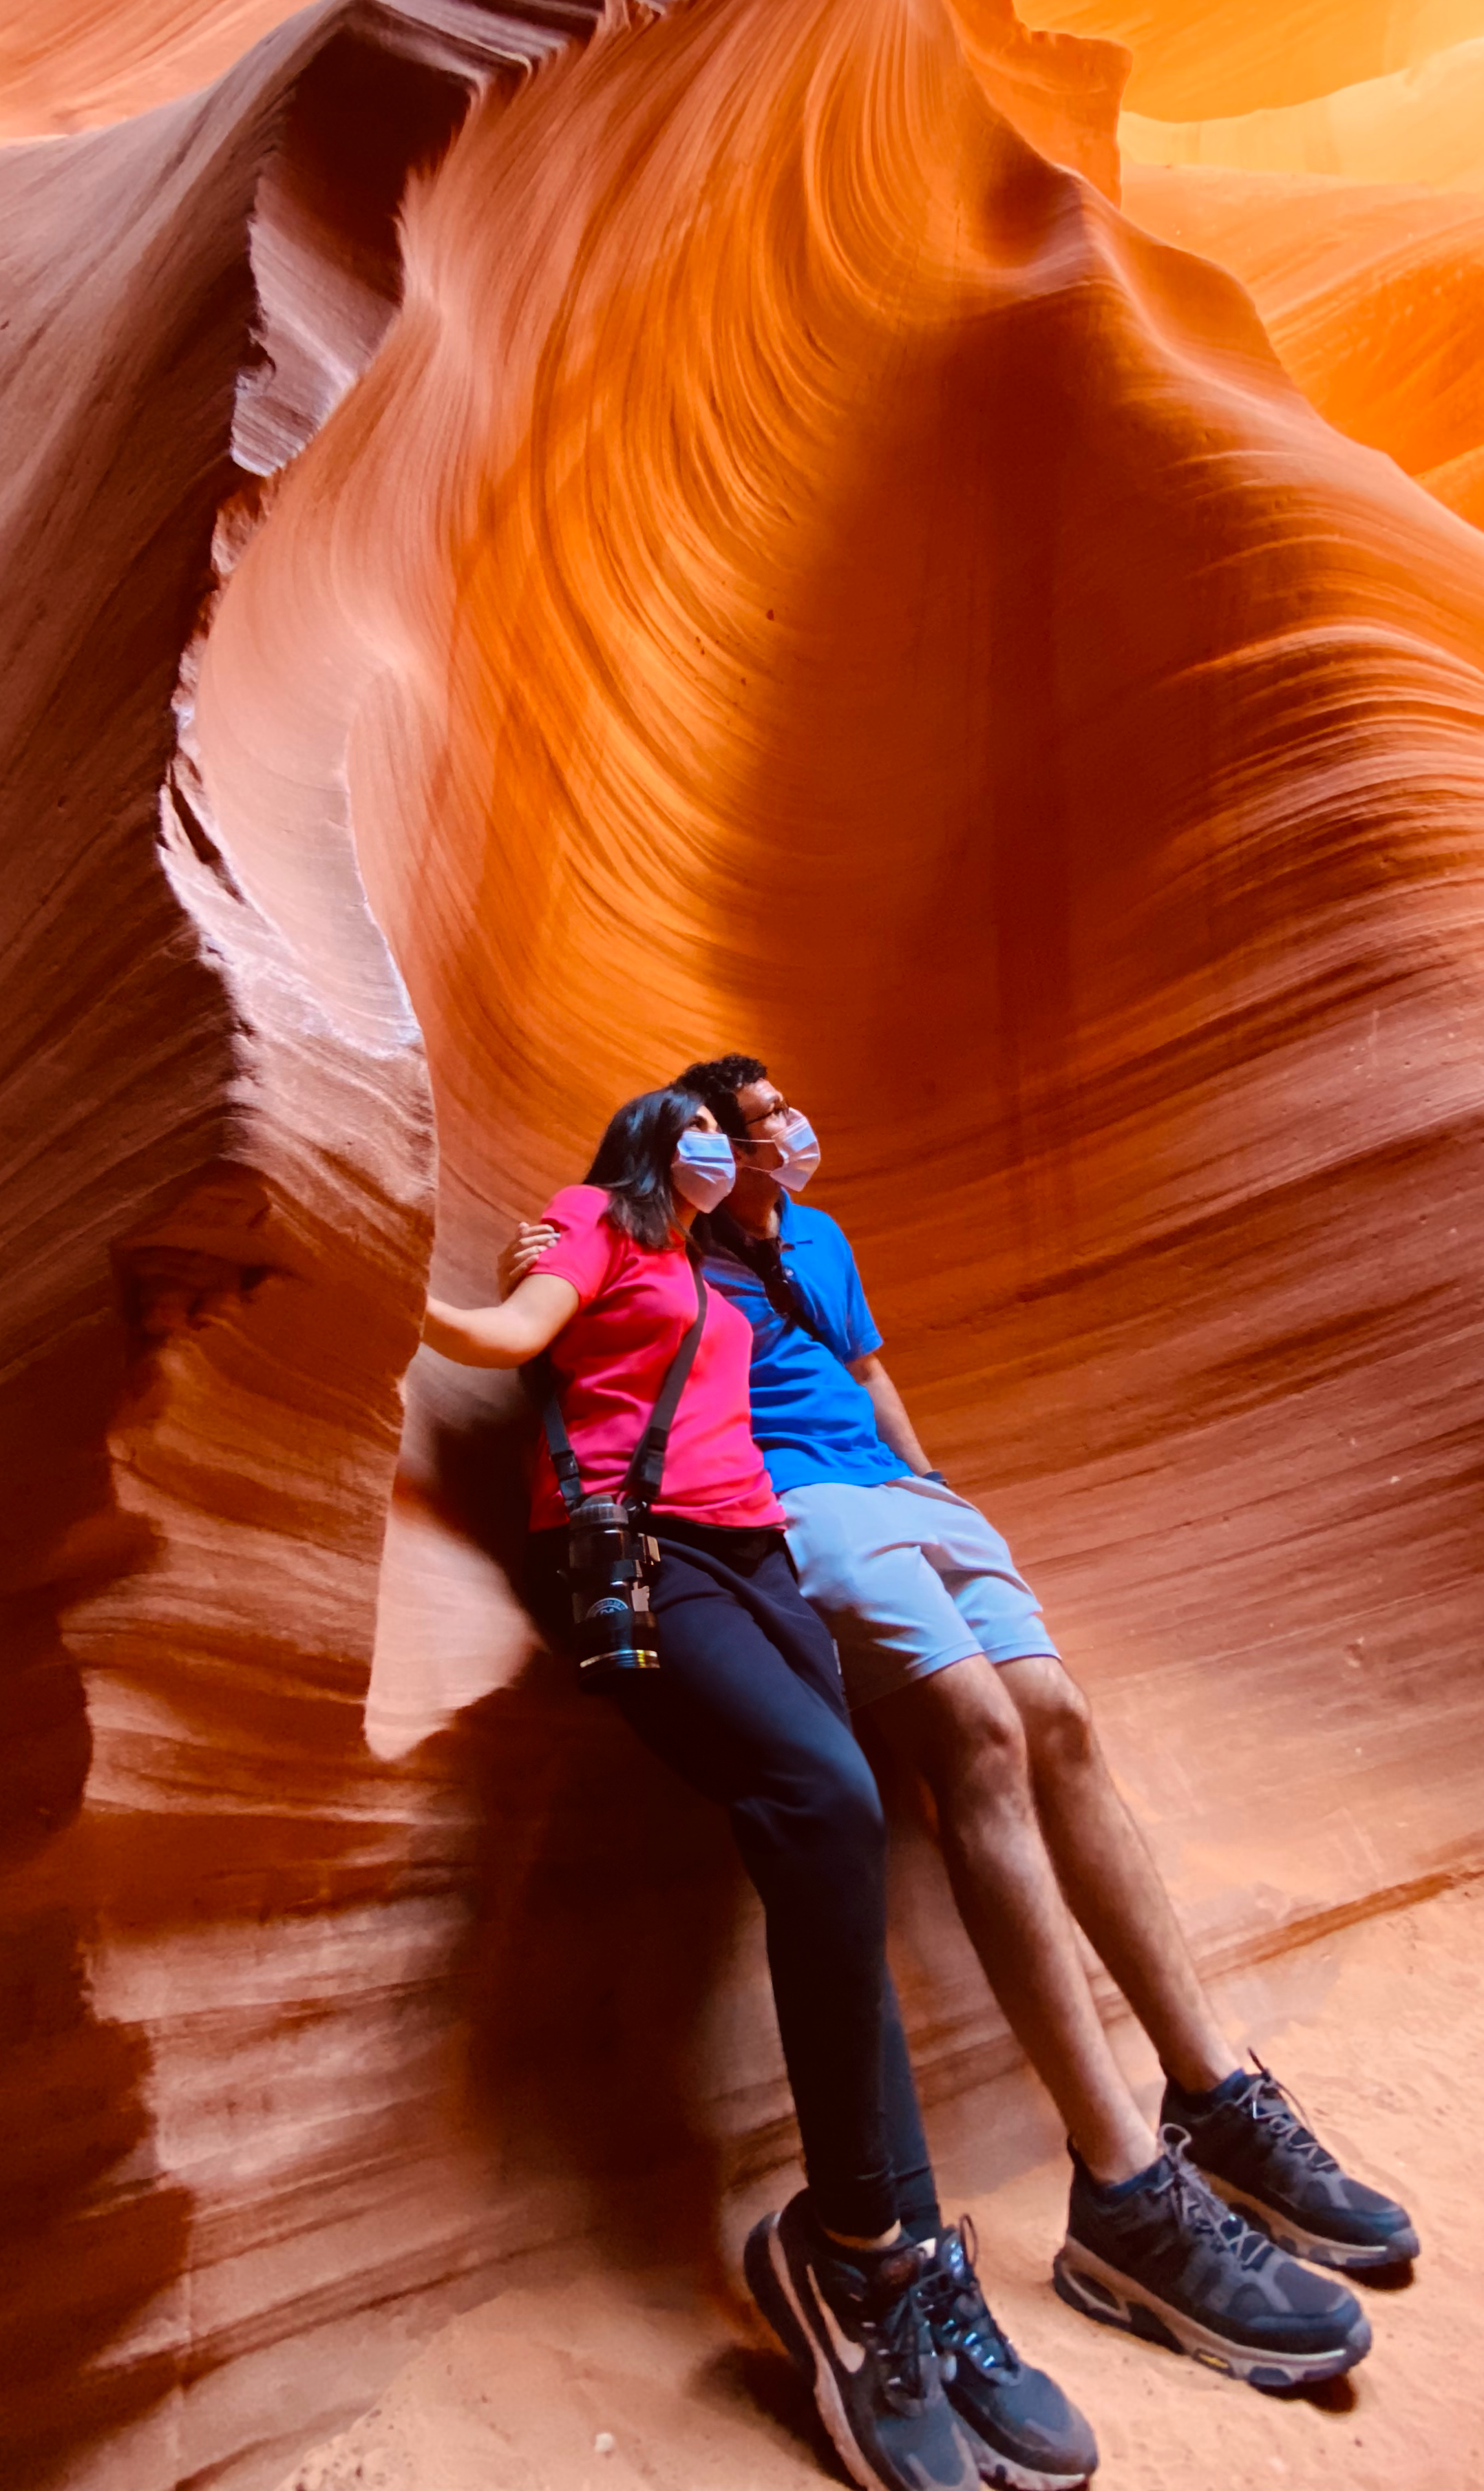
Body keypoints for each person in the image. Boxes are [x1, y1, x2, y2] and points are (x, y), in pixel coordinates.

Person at [504, 1056, 1417, 2399]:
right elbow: (597, 1298)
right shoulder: (669, 1234)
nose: (779, 1135)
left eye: (771, 1116)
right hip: (794, 1508)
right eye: (749, 1123)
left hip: (902, 1493)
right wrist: (560, 1247)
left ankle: (1213, 2096)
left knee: (1059, 1716)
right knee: (981, 1734)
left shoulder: (819, 1239)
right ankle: (1122, 2188)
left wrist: (932, 1483)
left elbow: (871, 1370)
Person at [418, 1085, 1096, 2491]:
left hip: (758, 1557)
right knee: (826, 1803)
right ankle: (854, 2255)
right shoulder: (595, 1220)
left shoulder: (726, 1265)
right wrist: (387, 1282)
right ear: (652, 1150)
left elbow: (820, 1357)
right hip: (645, 1551)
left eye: (734, 1139)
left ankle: (902, 2258)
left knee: (840, 1829)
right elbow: (511, 1331)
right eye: (703, 1136)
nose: (728, 1153)